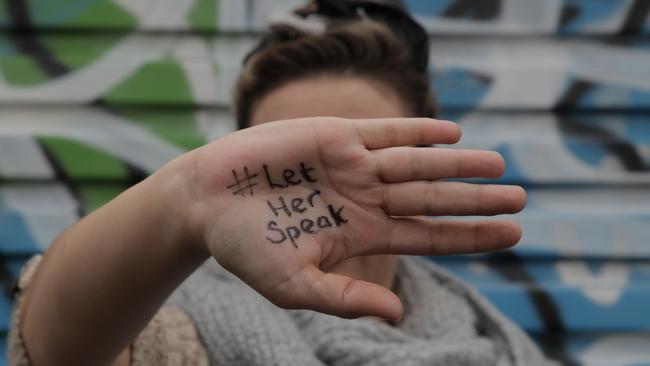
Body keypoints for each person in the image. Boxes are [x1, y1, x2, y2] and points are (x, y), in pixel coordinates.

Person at [9, 1, 553, 365]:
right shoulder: (178, 331)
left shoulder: (494, 344)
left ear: (422, 168)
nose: (327, 191)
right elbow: (52, 349)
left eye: (367, 161)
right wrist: (187, 197)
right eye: (293, 168)